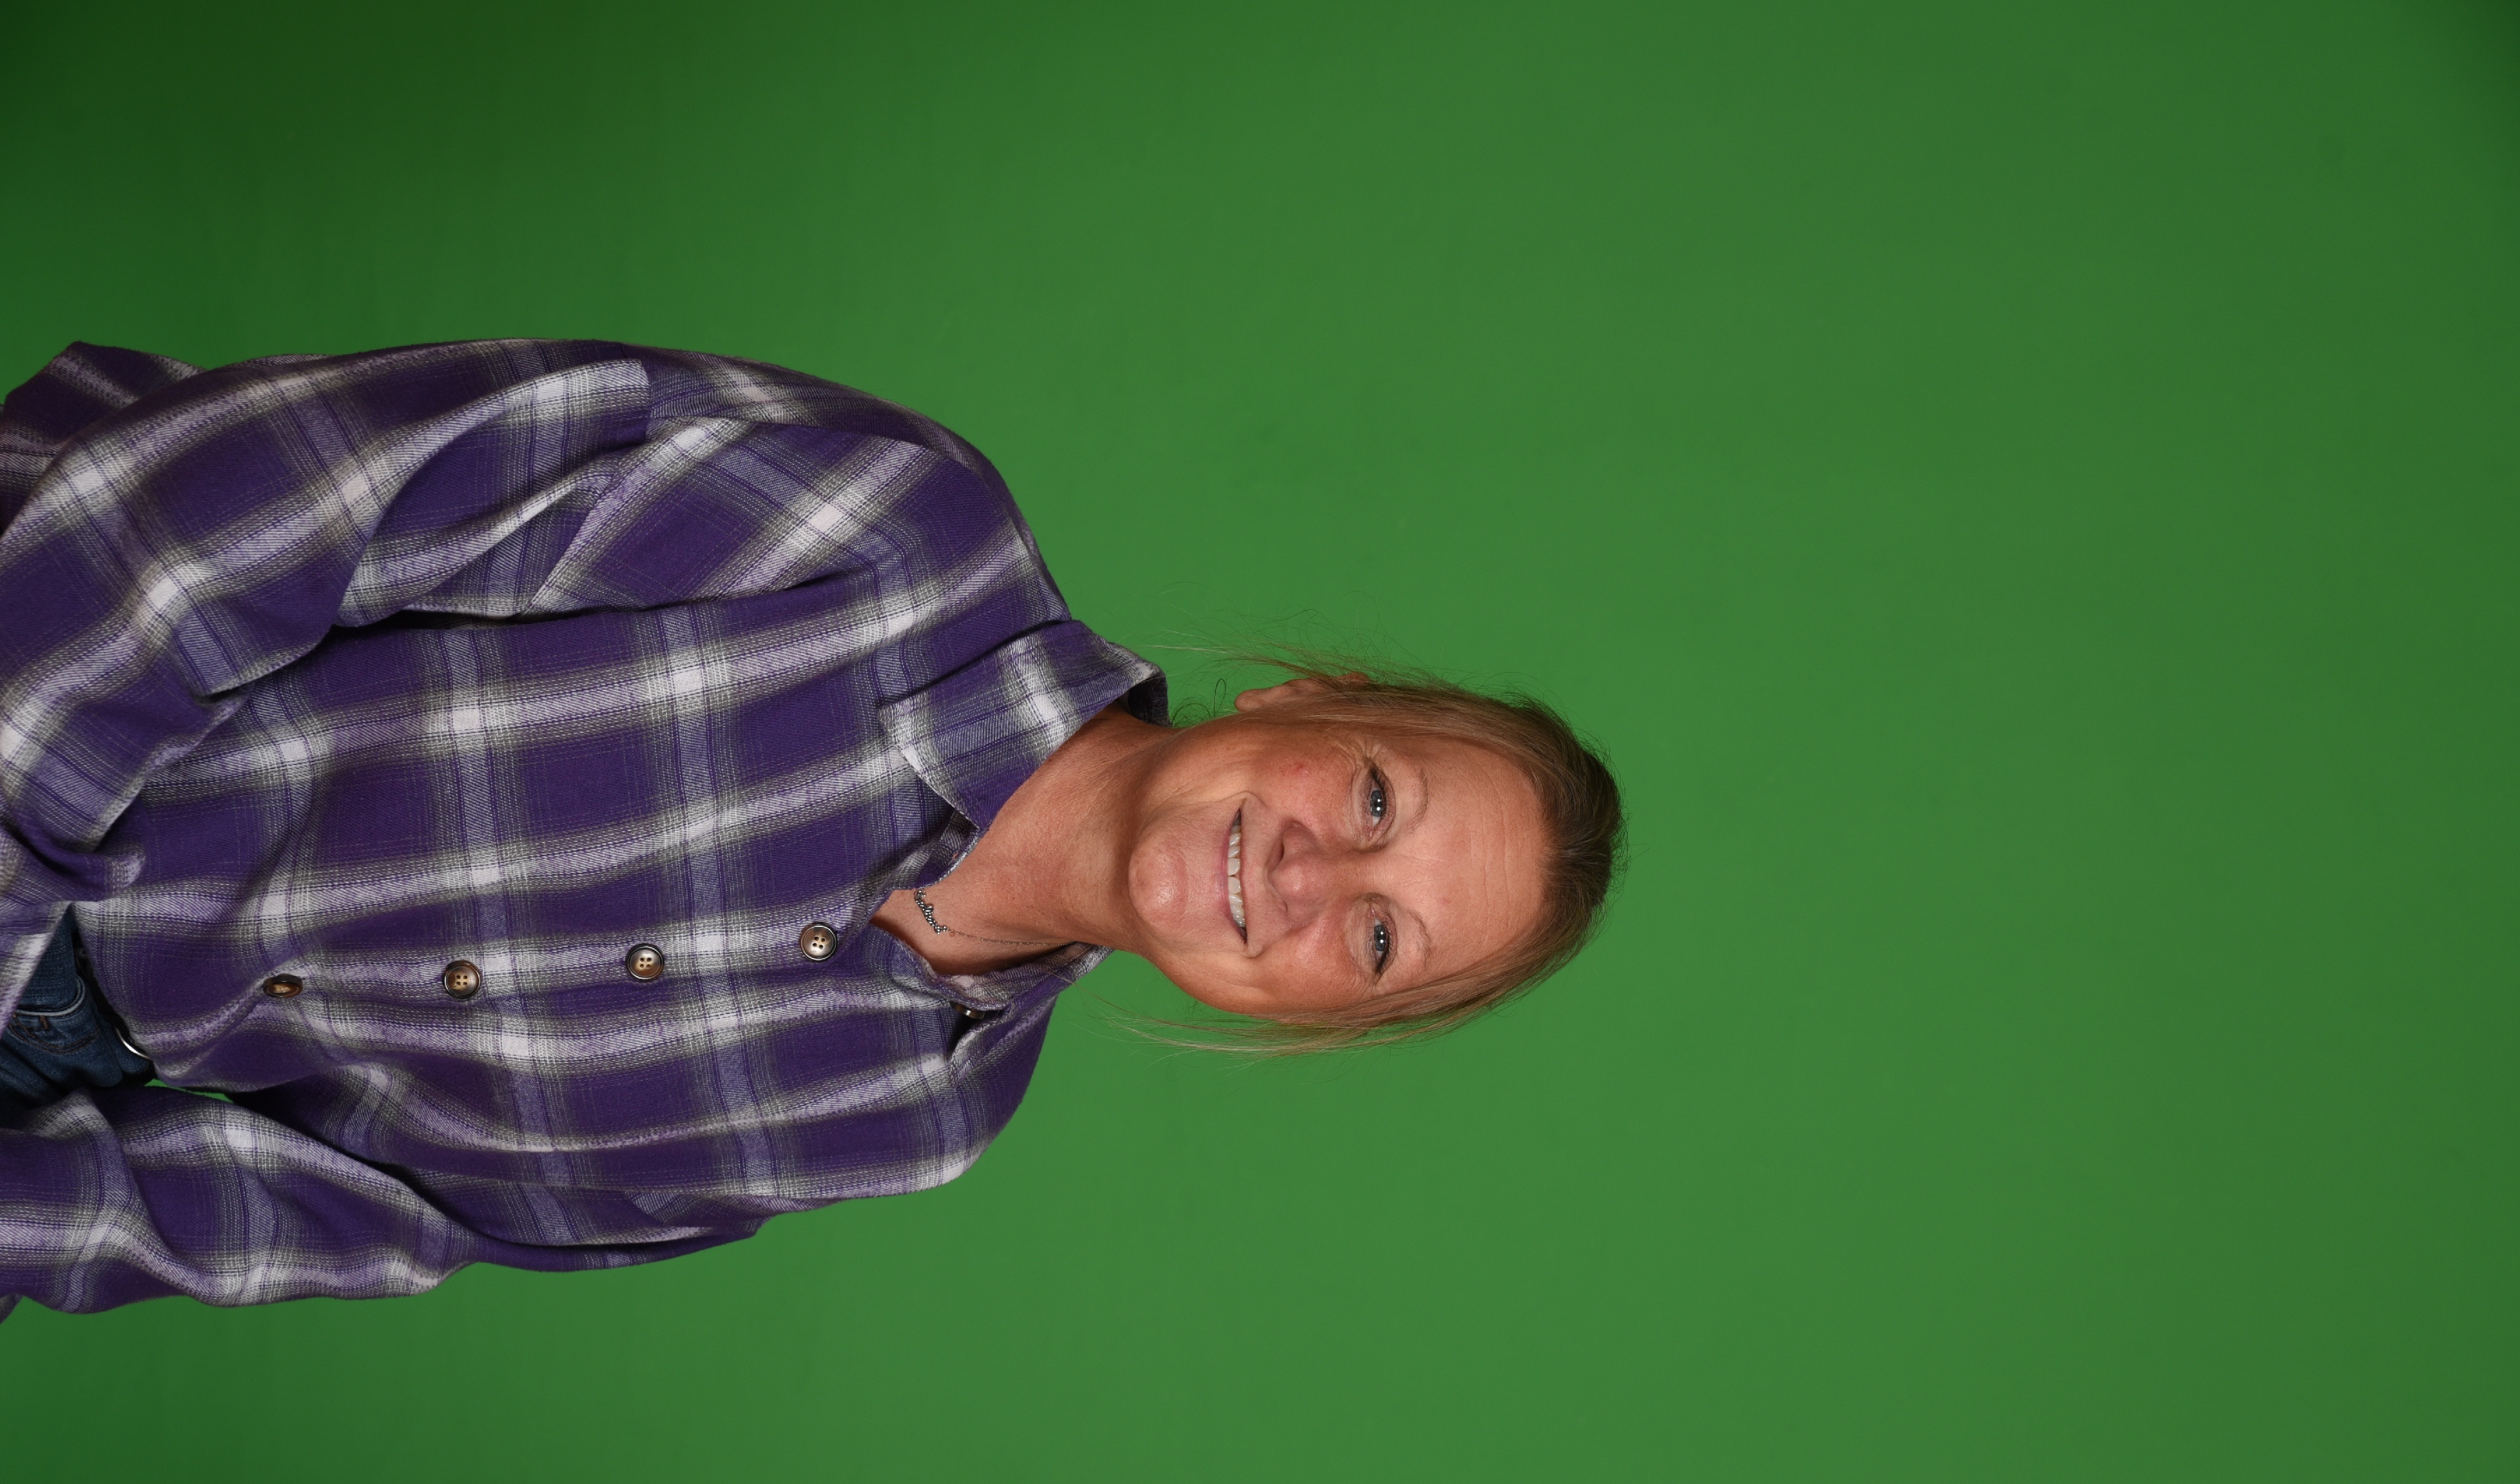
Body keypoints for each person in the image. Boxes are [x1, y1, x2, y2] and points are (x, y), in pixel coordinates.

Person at [0, 340, 1622, 1317]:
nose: (1316, 876)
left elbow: (379, 1214)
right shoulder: (894, 533)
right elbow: (245, 506)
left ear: (1321, 1017)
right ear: (1306, 697)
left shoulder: (915, 1122)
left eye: (1380, 938)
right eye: (1373, 798)